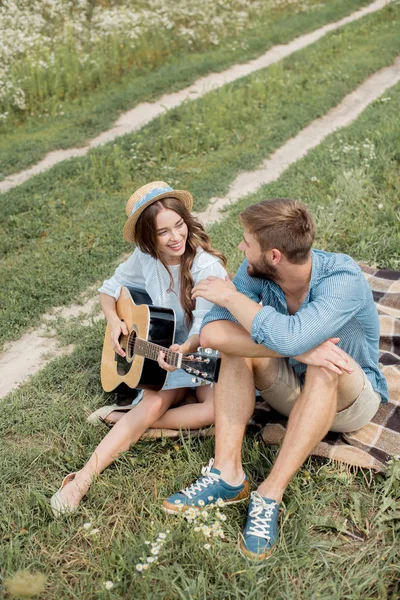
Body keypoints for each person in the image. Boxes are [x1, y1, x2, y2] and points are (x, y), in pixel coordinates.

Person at [163, 198, 388, 560]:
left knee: (327, 361)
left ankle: (269, 494)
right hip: (290, 389)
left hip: (352, 401)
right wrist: (297, 348)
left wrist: (234, 300)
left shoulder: (341, 278)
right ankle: (227, 475)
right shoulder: (255, 273)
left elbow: (293, 336)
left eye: (247, 242)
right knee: (243, 347)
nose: (240, 247)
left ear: (275, 256)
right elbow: (213, 335)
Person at [50, 181, 227, 516]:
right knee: (154, 402)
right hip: (158, 356)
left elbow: (205, 327)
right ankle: (81, 479)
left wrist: (184, 348)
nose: (176, 237)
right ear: (149, 238)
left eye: (179, 225)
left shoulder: (206, 268)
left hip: (196, 354)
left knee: (213, 412)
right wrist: (113, 320)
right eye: (164, 232)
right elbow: (109, 289)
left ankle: (126, 421)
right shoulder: (144, 258)